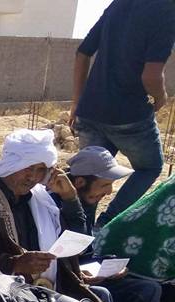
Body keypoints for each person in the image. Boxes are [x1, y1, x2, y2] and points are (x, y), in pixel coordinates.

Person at [0, 128, 114, 302]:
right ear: (12, 164)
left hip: (48, 292)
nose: (32, 177)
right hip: (6, 297)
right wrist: (15, 263)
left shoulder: (41, 201)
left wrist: (71, 199)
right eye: (28, 168)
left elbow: (76, 244)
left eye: (40, 170)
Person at [70, 0, 175, 226]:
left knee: (90, 176)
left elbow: (83, 52)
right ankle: (106, 225)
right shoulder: (166, 9)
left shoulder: (120, 4)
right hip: (129, 115)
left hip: (90, 110)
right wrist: (160, 97)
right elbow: (151, 76)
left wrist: (77, 103)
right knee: (150, 166)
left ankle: (79, 234)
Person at [66, 146, 162, 302]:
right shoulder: (57, 205)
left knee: (150, 289)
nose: (109, 192)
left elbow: (85, 252)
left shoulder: (87, 200)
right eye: (104, 185)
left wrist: (107, 264)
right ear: (79, 182)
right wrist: (79, 273)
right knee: (103, 295)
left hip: (84, 274)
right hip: (67, 280)